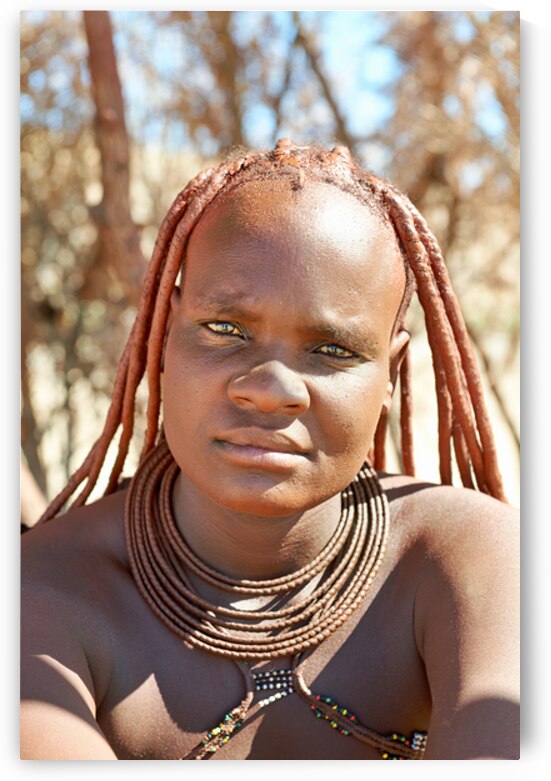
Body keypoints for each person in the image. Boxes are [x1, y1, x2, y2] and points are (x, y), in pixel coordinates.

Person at [21, 140, 519, 760]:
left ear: (390, 374)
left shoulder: (472, 562)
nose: (271, 390)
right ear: (164, 335)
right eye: (225, 330)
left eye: (333, 350)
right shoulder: (39, 595)